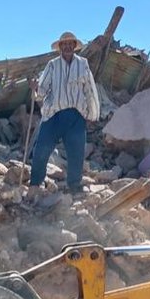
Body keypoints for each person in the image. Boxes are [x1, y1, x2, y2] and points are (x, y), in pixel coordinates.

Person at [29, 32, 100, 193]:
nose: (67, 47)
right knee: (42, 149)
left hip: (76, 115)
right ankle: (35, 183)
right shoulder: (52, 65)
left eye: (70, 44)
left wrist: (92, 114)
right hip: (54, 114)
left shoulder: (83, 64)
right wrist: (36, 88)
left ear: (74, 46)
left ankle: (74, 185)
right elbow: (43, 88)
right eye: (64, 44)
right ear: (60, 47)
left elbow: (89, 89)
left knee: (76, 152)